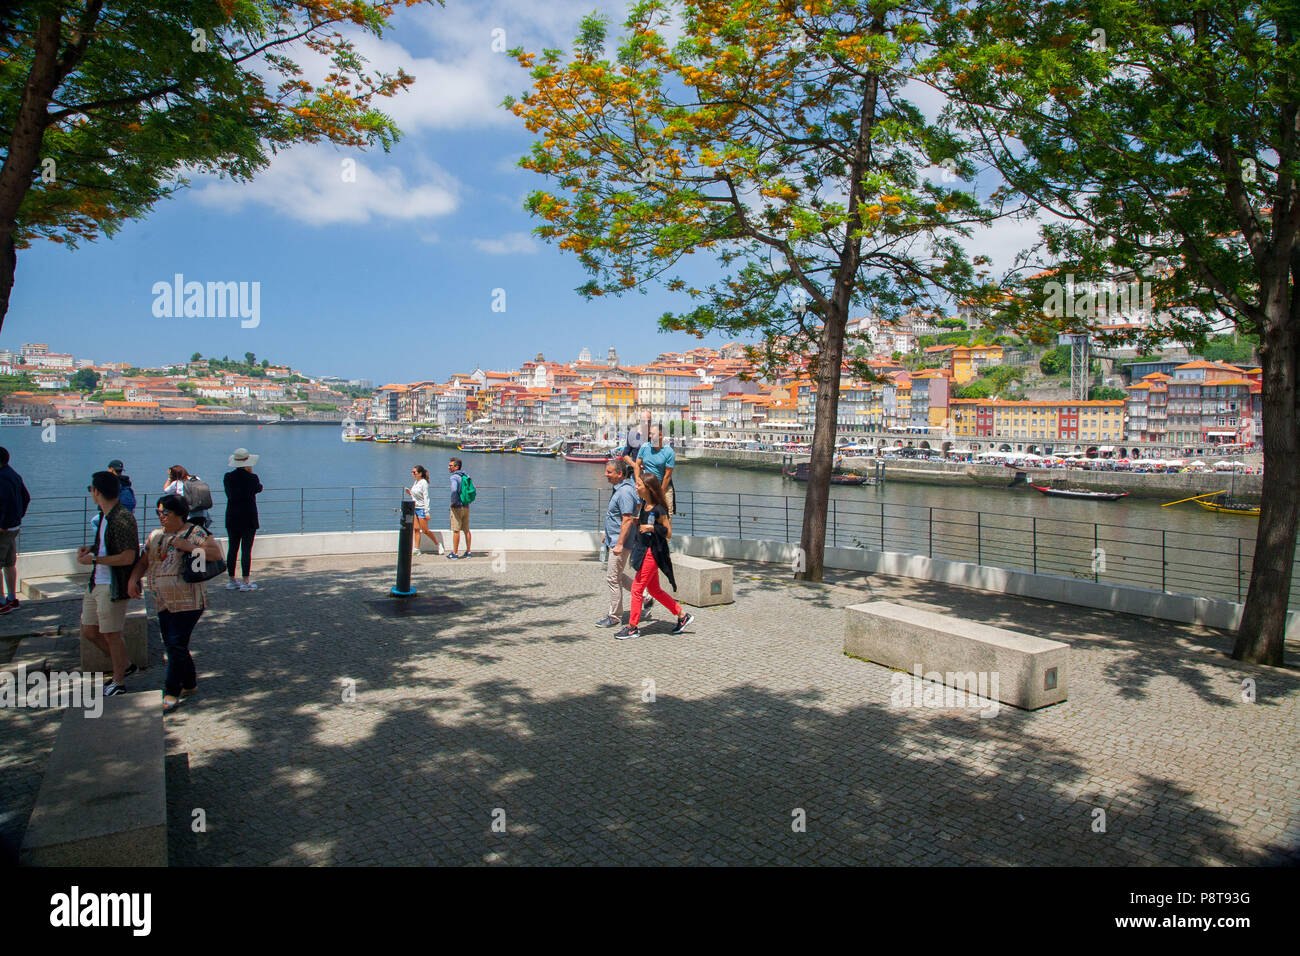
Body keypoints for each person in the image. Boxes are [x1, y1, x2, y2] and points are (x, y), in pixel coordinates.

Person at [128, 494, 223, 713]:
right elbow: (144, 561)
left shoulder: (195, 533)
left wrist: (187, 546)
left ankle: (172, 692)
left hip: (188, 600)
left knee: (174, 644)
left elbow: (215, 553)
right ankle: (190, 684)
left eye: (165, 513)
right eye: (158, 512)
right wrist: (134, 579)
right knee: (176, 645)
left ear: (179, 514)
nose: (161, 517)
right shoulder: (156, 536)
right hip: (162, 601)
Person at [79, 471, 140, 696]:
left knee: (112, 633)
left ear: (97, 491)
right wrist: (91, 550)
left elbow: (128, 556)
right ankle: (124, 665)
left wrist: (95, 559)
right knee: (89, 630)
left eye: (91, 489)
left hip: (111, 585)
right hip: (96, 582)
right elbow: (107, 547)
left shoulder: (122, 518)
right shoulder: (105, 516)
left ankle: (119, 680)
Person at [616, 472, 694, 640]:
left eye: (638, 485)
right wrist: (638, 523)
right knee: (654, 590)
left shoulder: (659, 509)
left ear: (648, 488)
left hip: (653, 553)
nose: (636, 487)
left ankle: (632, 627)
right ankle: (682, 615)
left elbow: (668, 533)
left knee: (637, 589)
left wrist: (652, 529)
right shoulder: (644, 505)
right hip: (643, 550)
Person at [595, 458, 652, 628]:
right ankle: (645, 597)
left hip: (621, 542)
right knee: (618, 575)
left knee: (612, 578)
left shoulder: (624, 492)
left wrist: (619, 543)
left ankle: (615, 616)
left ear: (620, 474)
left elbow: (627, 519)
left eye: (609, 472)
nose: (606, 475)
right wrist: (607, 533)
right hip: (615, 538)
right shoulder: (619, 489)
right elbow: (617, 517)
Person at [223, 447, 263, 592]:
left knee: (232, 549)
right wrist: (251, 473)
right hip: (248, 517)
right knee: (246, 550)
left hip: (232, 516)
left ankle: (231, 580)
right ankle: (245, 580)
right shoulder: (252, 478)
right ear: (248, 462)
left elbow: (229, 494)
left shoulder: (228, 477)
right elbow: (259, 488)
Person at [0, 447, 31, 614]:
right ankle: (12, 598)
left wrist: (3, 524)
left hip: (4, 529)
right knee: (9, 563)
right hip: (14, 526)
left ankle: (1, 602)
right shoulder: (13, 474)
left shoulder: (2, 477)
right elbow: (26, 497)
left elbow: (4, 501)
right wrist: (18, 517)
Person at [635, 421, 677, 514]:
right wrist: (638, 481)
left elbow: (667, 475)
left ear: (660, 435)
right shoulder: (645, 447)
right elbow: (637, 465)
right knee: (646, 514)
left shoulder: (669, 452)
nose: (650, 436)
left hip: (664, 489)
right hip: (647, 488)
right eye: (650, 433)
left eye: (652, 434)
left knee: (666, 515)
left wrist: (660, 493)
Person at [405, 465, 440, 555]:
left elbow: (426, 497)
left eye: (414, 472)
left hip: (421, 509)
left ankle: (438, 544)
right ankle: (417, 549)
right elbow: (416, 496)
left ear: (420, 473)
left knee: (425, 530)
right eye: (412, 472)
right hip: (414, 508)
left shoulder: (424, 483)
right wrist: (410, 493)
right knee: (416, 529)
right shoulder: (416, 482)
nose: (412, 474)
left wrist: (427, 512)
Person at [164, 465, 211, 531]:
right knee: (199, 533)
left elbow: (166, 490)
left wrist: (169, 478)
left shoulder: (177, 483)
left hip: (188, 514)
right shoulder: (197, 478)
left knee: (187, 534)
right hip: (202, 512)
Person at [446, 457, 472, 559]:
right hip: (466, 505)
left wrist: (453, 502)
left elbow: (454, 490)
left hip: (457, 507)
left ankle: (455, 553)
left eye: (450, 466)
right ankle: (468, 552)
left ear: (456, 467)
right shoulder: (465, 475)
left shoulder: (454, 477)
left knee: (456, 530)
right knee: (466, 530)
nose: (448, 467)